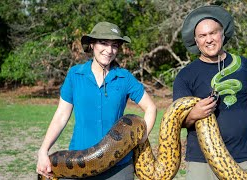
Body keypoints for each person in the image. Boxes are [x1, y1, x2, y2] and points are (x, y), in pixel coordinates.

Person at [173, 5, 247, 180]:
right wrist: (194, 114)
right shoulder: (186, 75)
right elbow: (178, 121)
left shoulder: (243, 65)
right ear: (196, 42)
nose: (209, 40)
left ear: (222, 34)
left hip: (244, 156)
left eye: (213, 33)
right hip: (202, 161)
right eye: (202, 36)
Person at [36, 21, 157, 180]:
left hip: (119, 166)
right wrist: (43, 150)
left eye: (114, 45)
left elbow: (151, 108)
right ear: (92, 44)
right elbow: (61, 116)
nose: (109, 50)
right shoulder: (75, 75)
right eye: (103, 43)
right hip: (80, 162)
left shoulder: (124, 77)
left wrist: (136, 142)